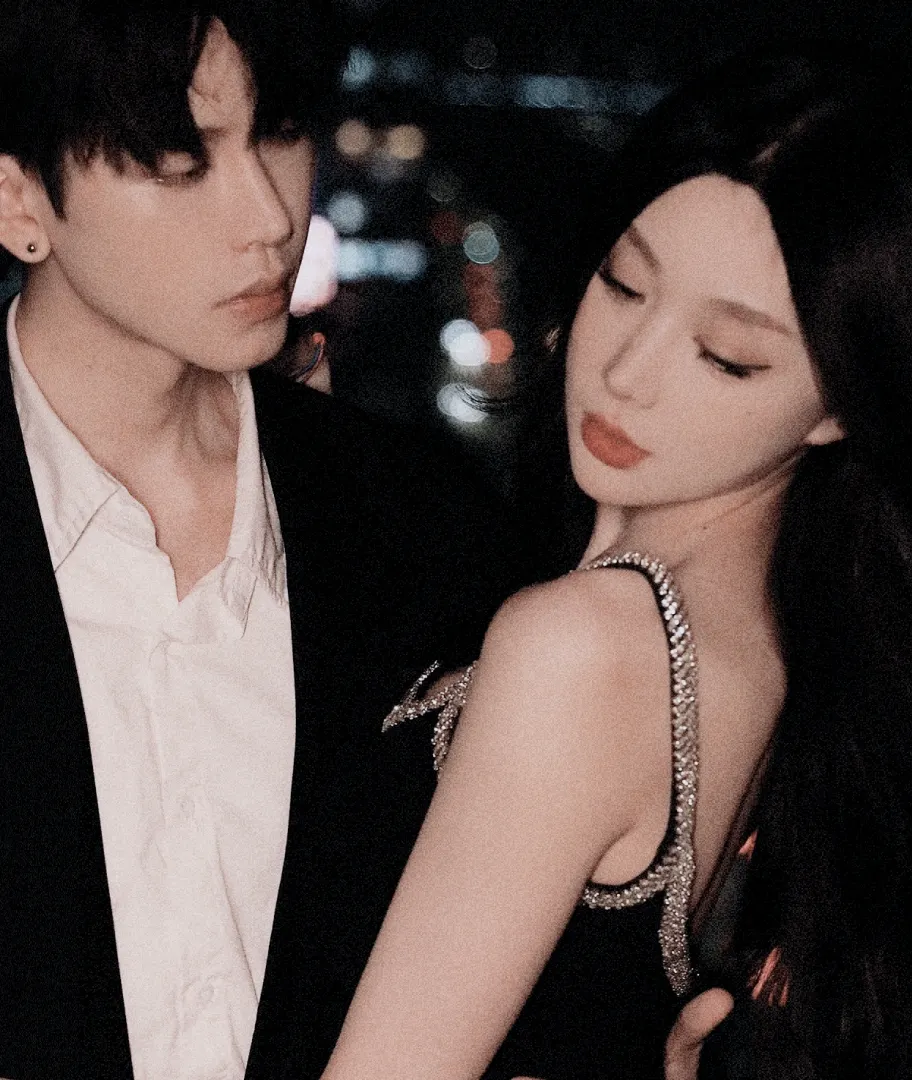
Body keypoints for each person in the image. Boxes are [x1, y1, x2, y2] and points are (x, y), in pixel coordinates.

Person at [319, 46, 912, 1080]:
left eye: (727, 356)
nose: (627, 373)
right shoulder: (781, 645)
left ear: (845, 404)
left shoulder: (583, 650)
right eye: (625, 284)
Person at [0, 3, 526, 1078]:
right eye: (178, 161)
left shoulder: (426, 529)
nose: (271, 219)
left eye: (279, 132)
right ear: (18, 202)